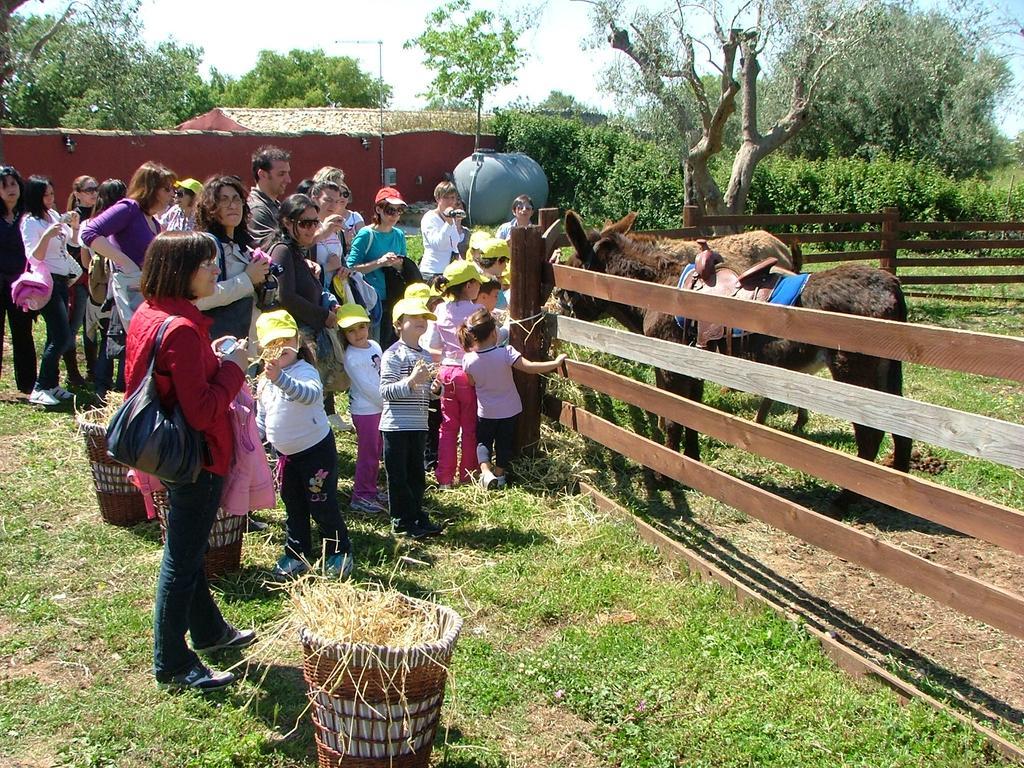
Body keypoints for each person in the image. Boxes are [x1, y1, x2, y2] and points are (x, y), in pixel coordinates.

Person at [125, 231, 254, 691]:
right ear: (183, 270)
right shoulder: (181, 327)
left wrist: (214, 362)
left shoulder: (151, 312)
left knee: (190, 546)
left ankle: (209, 631)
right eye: (207, 264)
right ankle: (174, 664)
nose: (216, 271)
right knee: (181, 560)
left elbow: (173, 383)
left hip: (169, 450)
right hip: (195, 457)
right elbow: (201, 410)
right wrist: (236, 366)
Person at [255, 309, 354, 580]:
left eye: (284, 341)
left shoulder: (304, 371)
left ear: (297, 341)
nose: (278, 349)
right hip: (285, 456)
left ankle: (339, 550)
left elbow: (310, 396)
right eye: (271, 345)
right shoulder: (264, 381)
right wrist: (256, 440)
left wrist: (281, 379)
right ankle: (296, 552)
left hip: (315, 453)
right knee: (293, 505)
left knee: (322, 503)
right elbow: (263, 416)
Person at [82, 162, 176, 399]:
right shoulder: (129, 208)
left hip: (147, 291)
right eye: (166, 189)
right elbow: (90, 233)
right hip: (130, 292)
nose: (171, 195)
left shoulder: (152, 221)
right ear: (151, 188)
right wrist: (124, 262)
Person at [460, 307, 566, 488]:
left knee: (483, 442)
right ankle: (500, 475)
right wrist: (554, 364)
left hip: (486, 412)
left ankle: (486, 472)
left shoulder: (468, 359)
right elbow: (530, 367)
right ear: (494, 333)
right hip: (509, 410)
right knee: (504, 443)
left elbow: (471, 382)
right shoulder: (506, 353)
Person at [380, 297, 444, 539]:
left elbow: (428, 394)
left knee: (416, 474)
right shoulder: (393, 354)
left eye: (424, 318)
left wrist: (436, 390)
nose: (421, 321)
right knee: (398, 477)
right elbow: (386, 391)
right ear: (398, 323)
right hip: (396, 426)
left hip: (418, 424)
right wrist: (412, 381)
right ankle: (402, 521)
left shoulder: (426, 356)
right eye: (414, 318)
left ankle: (416, 514)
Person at [21, 175, 82, 406]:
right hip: (46, 282)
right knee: (62, 336)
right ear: (36, 196)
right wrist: (47, 235)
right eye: (46, 195)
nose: (51, 198)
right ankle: (40, 386)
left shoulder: (53, 215)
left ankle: (52, 384)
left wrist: (74, 228)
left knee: (56, 334)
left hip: (62, 279)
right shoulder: (31, 222)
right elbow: (33, 255)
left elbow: (72, 245)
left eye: (52, 194)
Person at [428, 260, 484, 488]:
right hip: (468, 372)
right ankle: (467, 475)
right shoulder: (478, 311)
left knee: (448, 426)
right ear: (470, 285)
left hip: (446, 372)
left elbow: (433, 345)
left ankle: (444, 478)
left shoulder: (440, 309)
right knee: (469, 427)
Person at [194, 175, 270, 341]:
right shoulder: (207, 247)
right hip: (222, 342)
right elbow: (200, 299)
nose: (232, 205)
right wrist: (248, 279)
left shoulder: (245, 246)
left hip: (250, 337)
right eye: (224, 200)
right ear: (210, 207)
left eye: (237, 199)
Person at [346, 187, 411, 349]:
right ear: (378, 209)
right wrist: (380, 262)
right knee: (375, 345)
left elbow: (404, 267)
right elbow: (350, 268)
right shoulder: (366, 234)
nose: (395, 215)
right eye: (390, 210)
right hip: (371, 301)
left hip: (393, 297)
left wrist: (398, 264)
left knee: (393, 344)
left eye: (399, 211)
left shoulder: (399, 235)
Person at [338, 303, 386, 514]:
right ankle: (361, 495)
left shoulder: (374, 346)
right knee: (367, 453)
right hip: (366, 410)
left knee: (375, 451)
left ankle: (371, 489)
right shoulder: (352, 357)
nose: (358, 333)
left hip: (379, 406)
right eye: (351, 330)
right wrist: (389, 403)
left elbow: (382, 374)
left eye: (361, 327)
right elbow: (367, 388)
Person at [87, 179, 128, 401]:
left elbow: (86, 257)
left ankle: (101, 386)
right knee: (121, 339)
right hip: (117, 289)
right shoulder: (118, 222)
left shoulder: (95, 220)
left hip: (102, 290)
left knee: (107, 337)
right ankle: (118, 388)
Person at [0, 166, 36, 395]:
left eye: (14, 184)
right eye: (4, 185)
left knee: (23, 334)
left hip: (20, 286)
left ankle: (27, 384)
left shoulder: (28, 216)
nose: (10, 189)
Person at [65, 175, 99, 385]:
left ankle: (93, 370)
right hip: (78, 280)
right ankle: (72, 372)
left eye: (96, 189)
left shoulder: (100, 215)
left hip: (96, 279)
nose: (94, 193)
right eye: (89, 190)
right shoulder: (72, 218)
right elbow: (70, 249)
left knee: (92, 326)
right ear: (77, 194)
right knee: (74, 326)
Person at [419, 181, 466, 283]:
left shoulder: (451, 217)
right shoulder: (429, 218)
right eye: (446, 197)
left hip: (449, 272)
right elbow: (438, 244)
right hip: (432, 273)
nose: (450, 201)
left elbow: (454, 244)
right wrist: (448, 223)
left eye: (453, 197)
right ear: (437, 198)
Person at [247, 145, 291, 247]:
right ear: (262, 174)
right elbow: (273, 248)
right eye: (281, 174)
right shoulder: (257, 209)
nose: (288, 180)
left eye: (288, 173)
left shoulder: (275, 205)